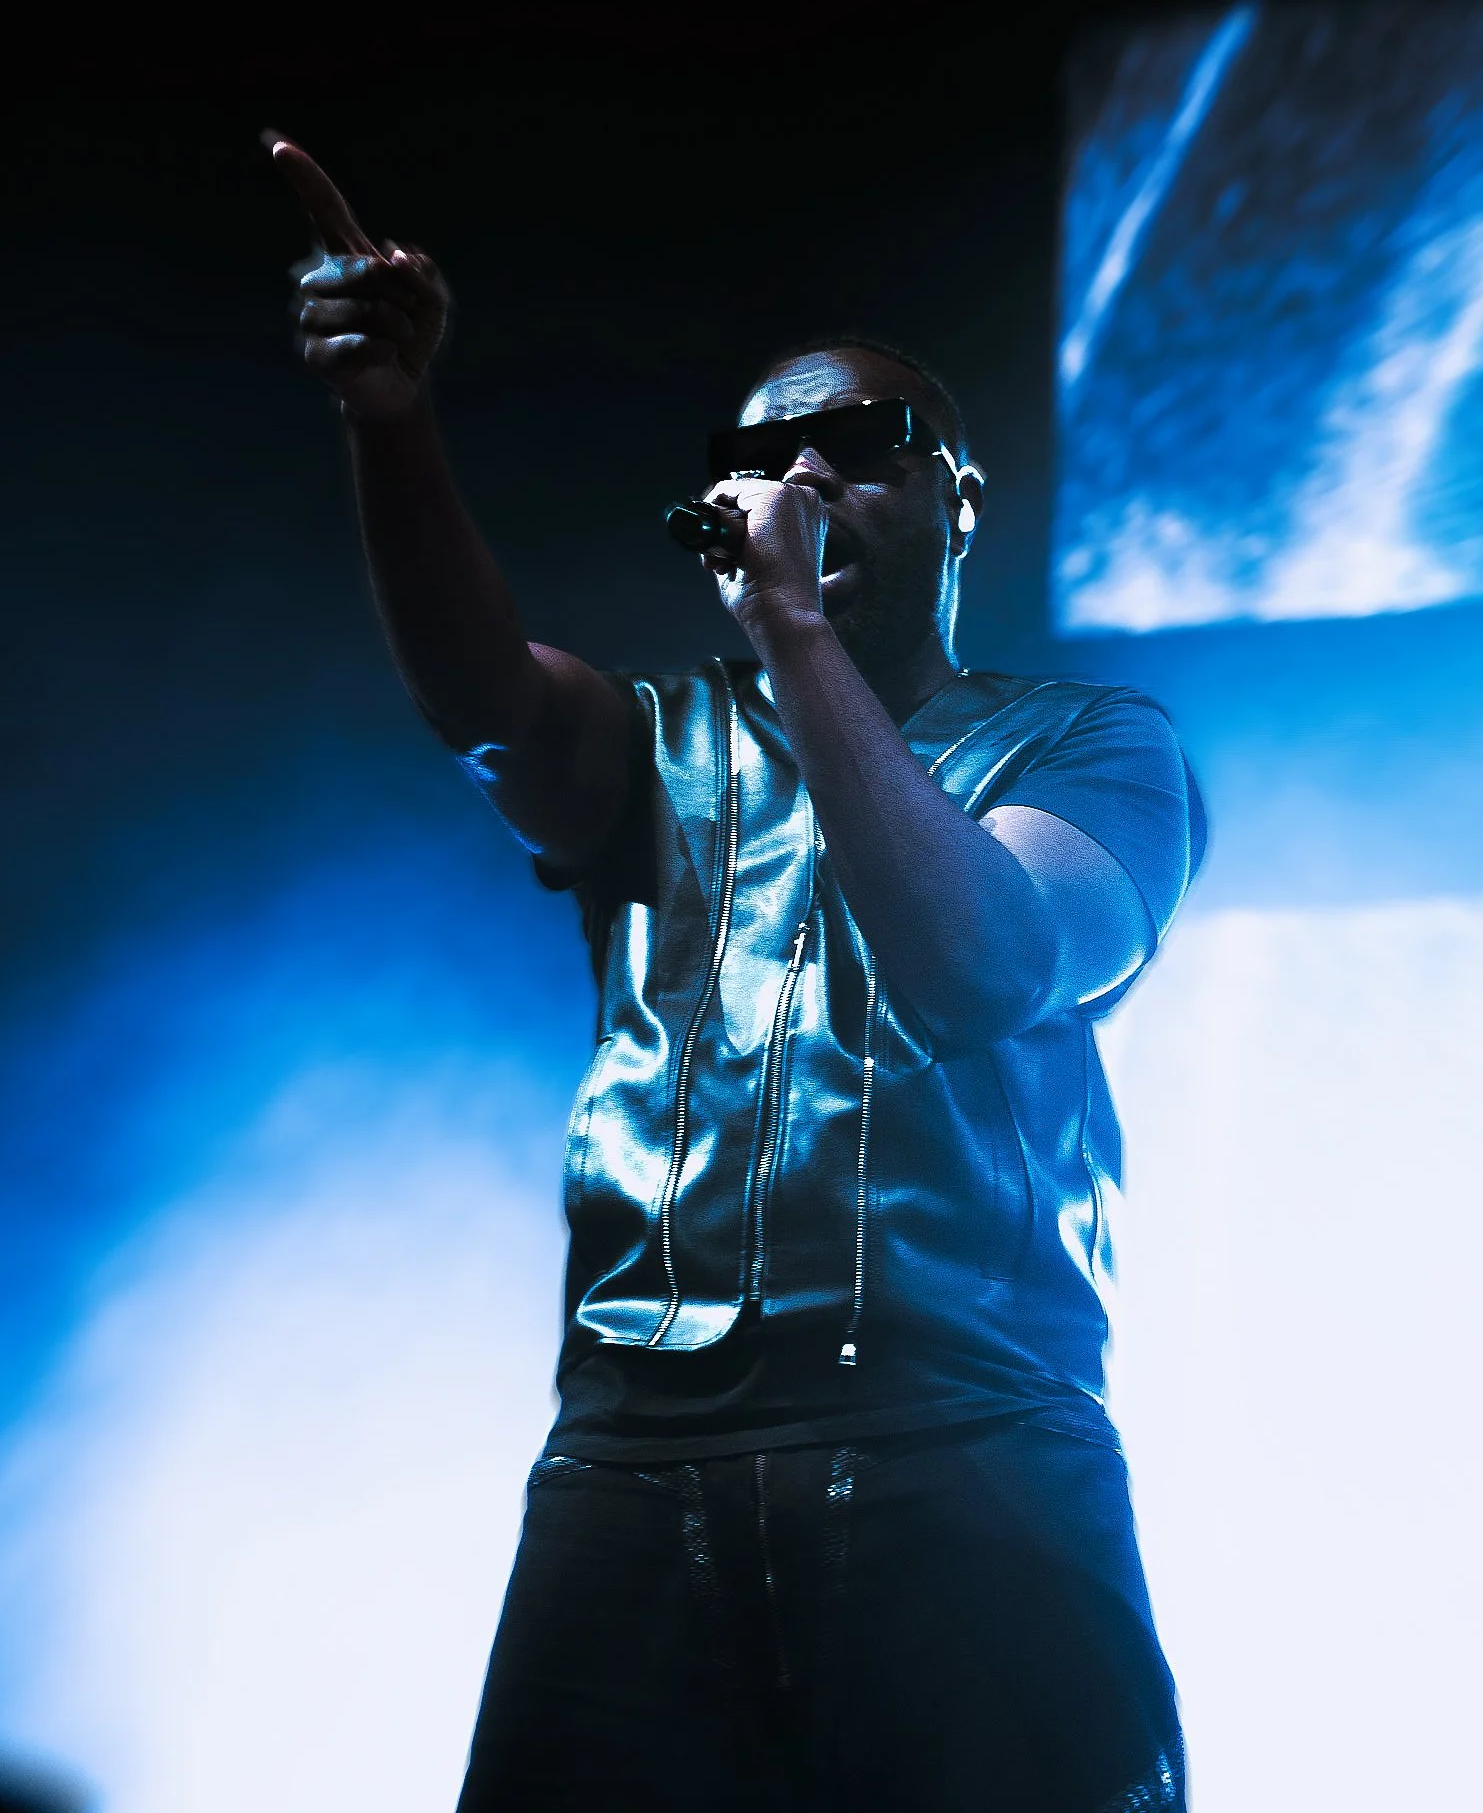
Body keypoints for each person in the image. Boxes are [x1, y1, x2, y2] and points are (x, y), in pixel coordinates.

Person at [271, 134, 1204, 1813]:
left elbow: (981, 965)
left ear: (961, 496)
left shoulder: (1094, 746)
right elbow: (479, 695)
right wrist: (391, 425)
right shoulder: (655, 744)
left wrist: (795, 636)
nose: (805, 474)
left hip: (970, 1446)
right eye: (763, 456)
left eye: (862, 441)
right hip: (638, 1461)